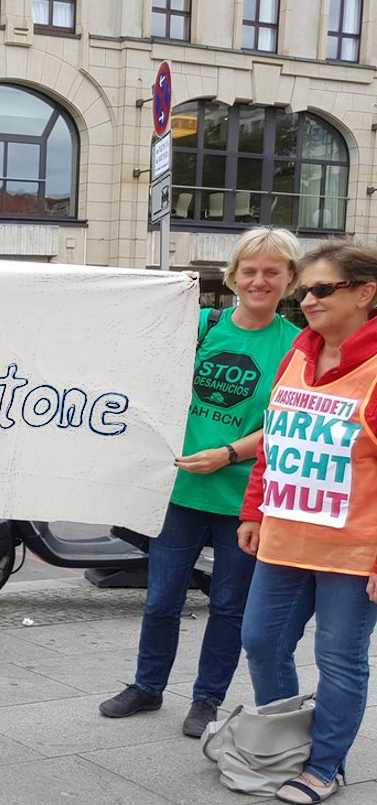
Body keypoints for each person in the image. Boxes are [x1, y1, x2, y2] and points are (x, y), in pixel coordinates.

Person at [100, 228, 302, 738]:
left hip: (243, 500)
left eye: (272, 272)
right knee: (161, 599)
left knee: (229, 607)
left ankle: (207, 700)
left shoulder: (297, 345)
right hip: (181, 493)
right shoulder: (201, 325)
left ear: (290, 280)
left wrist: (229, 454)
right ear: (233, 276)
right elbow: (139, 365)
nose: (259, 281)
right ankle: (147, 686)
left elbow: (290, 421)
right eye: (249, 271)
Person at [238, 239, 377, 805]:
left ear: (366, 293)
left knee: (338, 659)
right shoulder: (299, 352)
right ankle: (288, 747)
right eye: (305, 291)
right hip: (284, 537)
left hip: (352, 550)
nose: (309, 300)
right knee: (261, 640)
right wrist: (254, 509)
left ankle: (324, 765)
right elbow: (277, 437)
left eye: (322, 289)